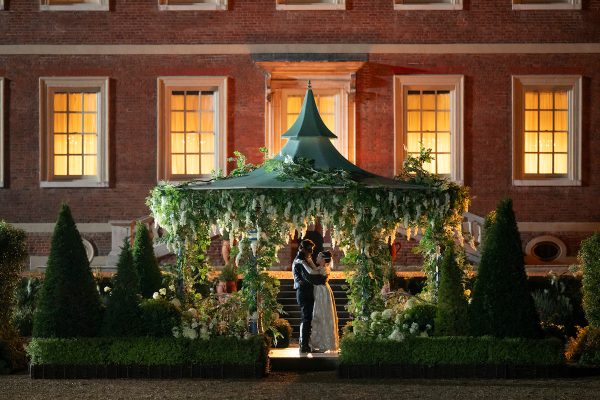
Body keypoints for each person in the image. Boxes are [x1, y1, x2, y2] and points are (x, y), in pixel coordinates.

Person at [292, 239, 326, 354]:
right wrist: (321, 279)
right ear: (303, 249)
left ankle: (304, 343)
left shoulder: (305, 259)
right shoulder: (300, 261)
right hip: (303, 292)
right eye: (309, 250)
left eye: (311, 250)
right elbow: (309, 276)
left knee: (307, 318)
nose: (311, 252)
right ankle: (304, 345)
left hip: (306, 291)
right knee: (306, 318)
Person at [304, 250, 339, 353]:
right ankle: (319, 343)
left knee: (322, 314)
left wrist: (303, 263)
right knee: (318, 314)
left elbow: (312, 272)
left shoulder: (324, 269)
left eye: (319, 257)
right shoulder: (321, 267)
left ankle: (324, 344)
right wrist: (309, 261)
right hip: (319, 291)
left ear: (323, 259)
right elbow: (314, 268)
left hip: (322, 292)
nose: (317, 258)